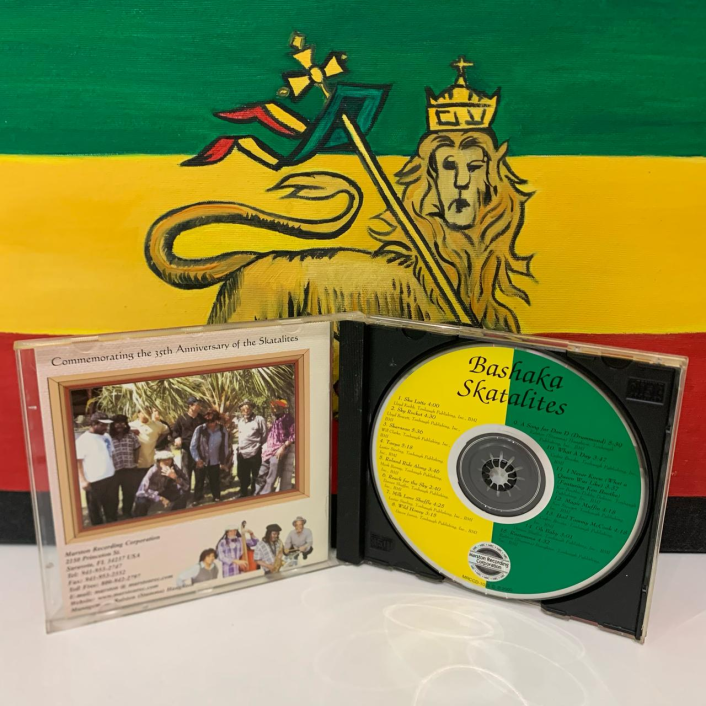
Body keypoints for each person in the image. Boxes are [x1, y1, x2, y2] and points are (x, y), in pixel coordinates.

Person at [75, 413, 118, 525]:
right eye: (103, 425)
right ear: (93, 424)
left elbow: (110, 454)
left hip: (110, 478)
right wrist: (82, 481)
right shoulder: (83, 440)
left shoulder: (107, 436)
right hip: (94, 481)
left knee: (112, 507)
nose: (106, 428)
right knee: (95, 511)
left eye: (107, 425)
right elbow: (78, 461)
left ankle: (113, 526)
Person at [254, 400, 295, 496]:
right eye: (272, 408)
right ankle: (256, 493)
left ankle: (265, 494)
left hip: (278, 451)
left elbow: (293, 435)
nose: (273, 409)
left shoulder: (288, 419)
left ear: (281, 408)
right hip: (268, 451)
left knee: (272, 475)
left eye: (275, 407)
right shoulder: (275, 420)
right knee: (261, 473)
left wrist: (283, 448)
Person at [190, 410, 230, 504]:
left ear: (217, 420)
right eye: (208, 421)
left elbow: (225, 446)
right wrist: (197, 459)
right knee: (199, 481)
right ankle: (197, 499)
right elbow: (193, 446)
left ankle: (216, 497)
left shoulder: (222, 430)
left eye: (213, 421)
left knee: (215, 480)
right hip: (201, 460)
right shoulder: (200, 429)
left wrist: (222, 461)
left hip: (215, 460)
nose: (210, 424)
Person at [133, 450, 189, 517]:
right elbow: (141, 492)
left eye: (169, 459)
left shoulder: (174, 468)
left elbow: (186, 486)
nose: (167, 462)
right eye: (164, 460)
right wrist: (159, 498)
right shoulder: (152, 471)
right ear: (159, 461)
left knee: (182, 493)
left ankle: (176, 515)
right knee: (141, 501)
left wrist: (175, 477)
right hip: (151, 493)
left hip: (164, 491)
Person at [109, 414, 142, 519]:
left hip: (129, 469)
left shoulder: (131, 435)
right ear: (112, 424)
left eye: (122, 423)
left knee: (129, 493)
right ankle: (113, 513)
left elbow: (137, 447)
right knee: (112, 494)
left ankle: (127, 512)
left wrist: (135, 461)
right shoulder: (108, 437)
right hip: (114, 470)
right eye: (117, 423)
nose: (120, 425)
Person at [172, 396, 205, 492]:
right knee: (186, 472)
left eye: (200, 404)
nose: (199, 407)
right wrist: (177, 438)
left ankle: (198, 495)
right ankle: (186, 493)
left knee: (200, 472)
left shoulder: (201, 418)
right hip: (186, 449)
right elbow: (175, 431)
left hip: (199, 450)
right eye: (197, 404)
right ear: (190, 405)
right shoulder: (182, 418)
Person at [235, 399, 267, 497]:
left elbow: (264, 436)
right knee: (242, 475)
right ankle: (243, 492)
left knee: (256, 475)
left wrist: (259, 448)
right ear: (241, 410)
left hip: (255, 452)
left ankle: (255, 493)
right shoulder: (240, 421)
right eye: (243, 409)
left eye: (248, 408)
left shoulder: (259, 419)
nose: (246, 411)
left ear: (252, 408)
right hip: (242, 453)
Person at [129, 408, 169, 478]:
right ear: (138, 414)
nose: (146, 415)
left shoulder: (157, 424)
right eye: (143, 413)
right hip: (137, 464)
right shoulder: (131, 425)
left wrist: (158, 441)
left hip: (151, 463)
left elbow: (166, 430)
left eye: (148, 413)